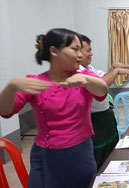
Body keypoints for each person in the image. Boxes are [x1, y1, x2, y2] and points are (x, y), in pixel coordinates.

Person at [0, 28, 118, 188]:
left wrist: (84, 80)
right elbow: (5, 111)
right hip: (46, 156)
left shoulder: (84, 77)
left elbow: (102, 90)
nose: (80, 55)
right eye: (75, 49)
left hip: (80, 154)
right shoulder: (35, 81)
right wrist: (11, 86)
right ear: (54, 51)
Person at [79, 35, 129, 170]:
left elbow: (102, 76)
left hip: (106, 118)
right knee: (99, 158)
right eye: (88, 50)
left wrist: (113, 69)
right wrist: (115, 71)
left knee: (111, 154)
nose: (91, 53)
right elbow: (101, 84)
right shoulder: (77, 72)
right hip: (95, 121)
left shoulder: (89, 68)